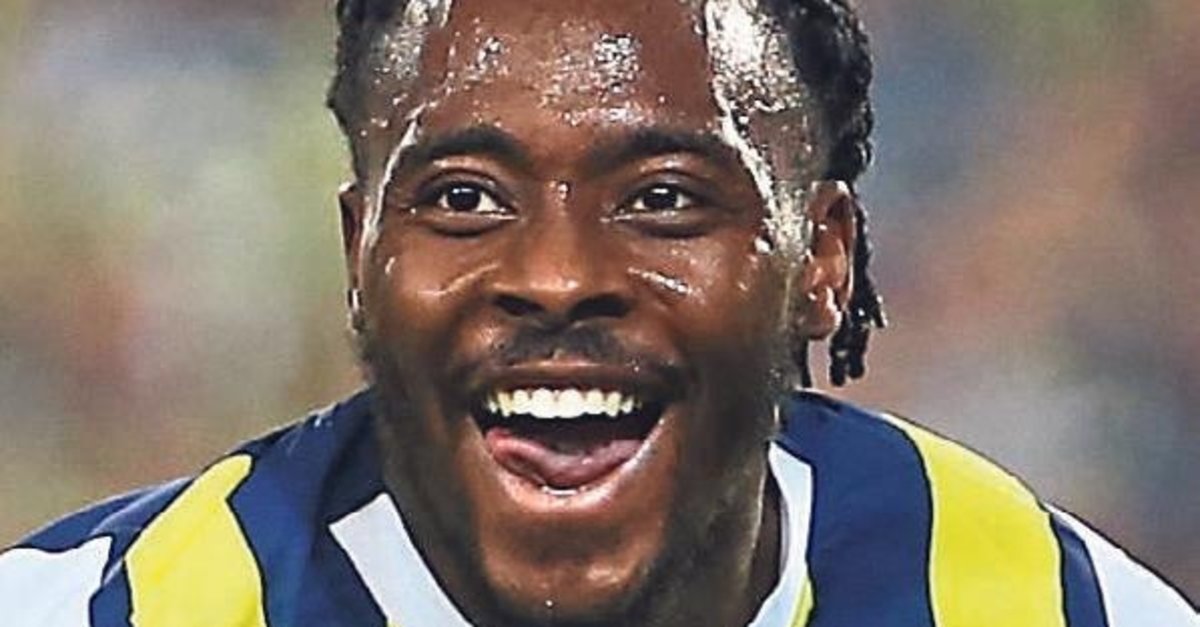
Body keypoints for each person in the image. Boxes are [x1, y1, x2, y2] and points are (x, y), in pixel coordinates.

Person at [0, 0, 1196, 624]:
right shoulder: (105, 612)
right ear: (361, 253)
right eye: (465, 198)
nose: (560, 276)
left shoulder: (1055, 609)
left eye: (664, 199)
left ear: (822, 257)